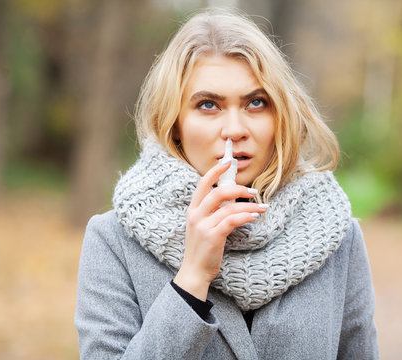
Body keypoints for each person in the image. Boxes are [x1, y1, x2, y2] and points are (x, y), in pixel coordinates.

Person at [75, 8, 378, 360]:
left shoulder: (334, 234)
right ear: (175, 124)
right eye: (208, 105)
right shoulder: (113, 241)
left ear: (280, 114)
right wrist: (191, 278)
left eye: (256, 103)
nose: (235, 129)